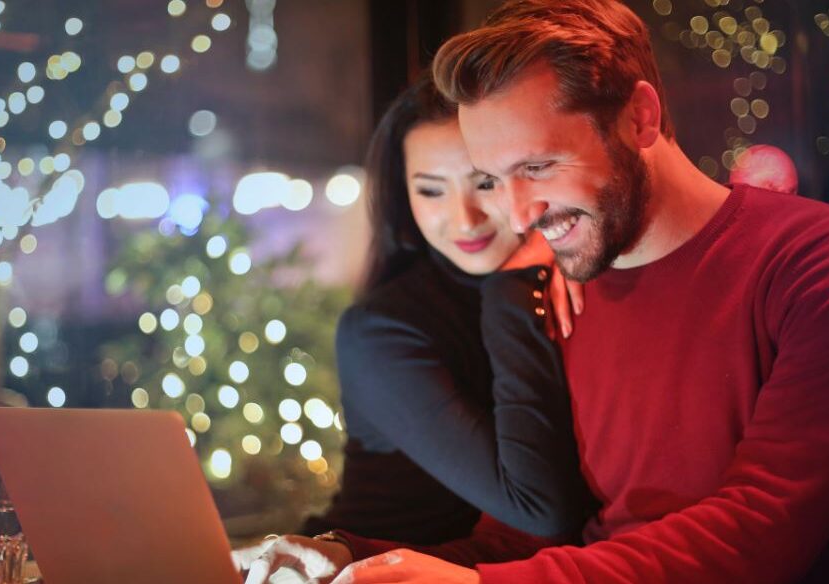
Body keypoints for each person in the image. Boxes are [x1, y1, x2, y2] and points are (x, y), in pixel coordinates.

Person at [242, 1, 829, 583]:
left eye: (536, 167)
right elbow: (528, 541)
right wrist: (349, 559)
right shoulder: (565, 285)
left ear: (640, 117)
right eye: (494, 178)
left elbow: (760, 531)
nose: (516, 213)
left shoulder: (820, 264)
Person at [233, 75, 596, 582]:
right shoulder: (382, 331)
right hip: (361, 572)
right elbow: (539, 509)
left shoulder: (565, 281)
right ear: (404, 198)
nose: (463, 219)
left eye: (484, 183)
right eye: (430, 190)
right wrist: (517, 282)